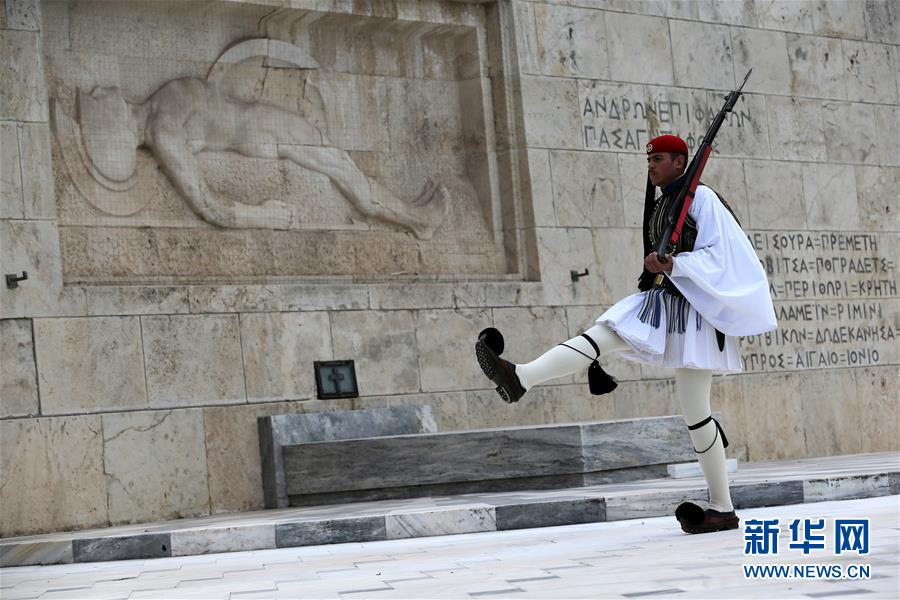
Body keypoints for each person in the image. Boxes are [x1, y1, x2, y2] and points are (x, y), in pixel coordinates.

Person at [475, 134, 777, 534]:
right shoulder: (665, 202)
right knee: (606, 333)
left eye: (660, 160)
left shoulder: (702, 199)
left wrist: (674, 264)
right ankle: (521, 377)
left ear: (680, 163)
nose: (651, 166)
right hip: (663, 300)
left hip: (695, 310)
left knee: (694, 411)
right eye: (649, 160)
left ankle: (722, 508)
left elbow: (726, 255)